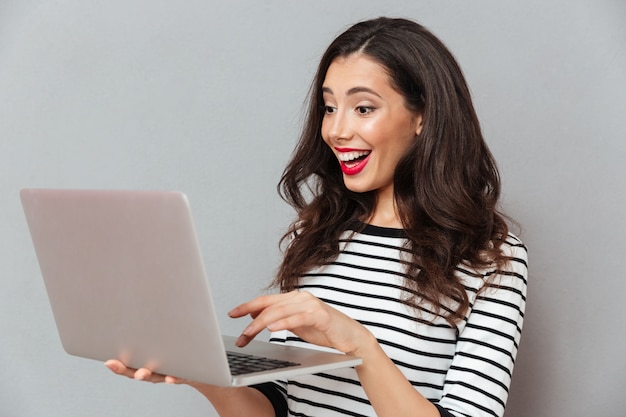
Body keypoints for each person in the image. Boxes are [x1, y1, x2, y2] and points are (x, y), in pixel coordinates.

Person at [106, 16, 528, 417]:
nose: (336, 131)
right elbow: (279, 405)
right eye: (329, 108)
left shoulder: (492, 259)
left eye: (363, 108)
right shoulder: (316, 234)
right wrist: (200, 373)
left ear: (422, 116)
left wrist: (357, 344)